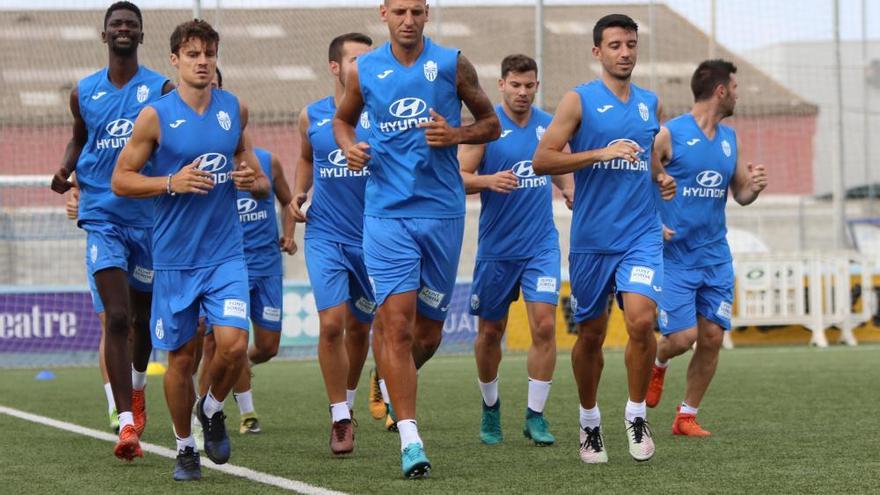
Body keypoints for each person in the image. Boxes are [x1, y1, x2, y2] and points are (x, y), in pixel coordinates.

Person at [333, 0, 500, 478]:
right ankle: (410, 438)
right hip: (386, 215)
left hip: (443, 214)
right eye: (399, 10)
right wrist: (350, 148)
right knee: (398, 327)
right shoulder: (364, 69)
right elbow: (343, 121)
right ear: (383, 13)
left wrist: (457, 134)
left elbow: (491, 122)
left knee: (427, 336)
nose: (408, 19)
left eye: (417, 10)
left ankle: (384, 378)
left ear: (428, 13)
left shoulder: (451, 63)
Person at [111, 19, 270, 481]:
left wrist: (250, 180)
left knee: (235, 344)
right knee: (180, 359)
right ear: (175, 60)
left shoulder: (234, 109)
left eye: (209, 54)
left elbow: (254, 176)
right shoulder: (155, 116)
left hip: (226, 254)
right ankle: (184, 448)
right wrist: (169, 182)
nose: (202, 62)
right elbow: (121, 179)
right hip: (175, 258)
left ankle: (213, 407)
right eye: (193, 54)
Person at [532, 13, 675, 464]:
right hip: (592, 239)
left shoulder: (650, 103)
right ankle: (589, 421)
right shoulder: (579, 100)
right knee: (591, 335)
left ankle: (636, 415)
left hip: (641, 234)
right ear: (598, 52)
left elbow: (646, 154)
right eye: (615, 45)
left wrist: (660, 176)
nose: (625, 52)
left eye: (631, 44)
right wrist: (598, 153)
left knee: (639, 320)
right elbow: (541, 160)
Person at [49, 1, 172, 461]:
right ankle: (125, 424)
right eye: (116, 24)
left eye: (131, 25)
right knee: (116, 318)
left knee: (143, 320)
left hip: (148, 220)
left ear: (141, 36)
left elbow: (171, 141)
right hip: (102, 216)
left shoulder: (160, 89)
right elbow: (81, 137)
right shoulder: (84, 91)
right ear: (105, 36)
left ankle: (138, 388)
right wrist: (65, 168)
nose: (123, 29)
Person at [646, 60, 767, 436]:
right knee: (683, 339)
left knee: (712, 337)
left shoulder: (730, 138)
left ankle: (686, 416)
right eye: (734, 86)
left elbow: (741, 194)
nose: (738, 93)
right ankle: (659, 362)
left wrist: (755, 187)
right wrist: (654, 222)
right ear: (720, 91)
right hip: (675, 258)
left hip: (715, 256)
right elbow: (641, 181)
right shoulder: (669, 134)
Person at [458, 54, 573, 447]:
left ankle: (535, 416)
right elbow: (458, 177)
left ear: (536, 86)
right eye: (516, 85)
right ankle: (491, 409)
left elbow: (560, 165)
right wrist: (488, 180)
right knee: (491, 333)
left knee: (544, 326)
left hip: (541, 245)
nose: (522, 92)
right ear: (501, 84)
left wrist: (570, 189)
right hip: (496, 250)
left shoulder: (548, 124)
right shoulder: (487, 128)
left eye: (529, 85)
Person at [196, 67, 297, 437]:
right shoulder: (199, 160)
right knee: (218, 344)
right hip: (226, 266)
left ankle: (237, 368)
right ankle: (225, 411)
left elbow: (288, 201)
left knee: (267, 346)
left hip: (267, 265)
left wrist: (288, 234)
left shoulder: (266, 161)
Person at [290, 33, 376, 455]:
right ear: (335, 67)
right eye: (355, 59)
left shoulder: (384, 115)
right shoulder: (312, 116)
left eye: (368, 59)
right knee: (331, 325)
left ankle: (353, 401)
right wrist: (299, 194)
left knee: (363, 328)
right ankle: (339, 416)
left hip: (377, 238)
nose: (363, 66)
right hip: (325, 234)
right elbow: (306, 158)